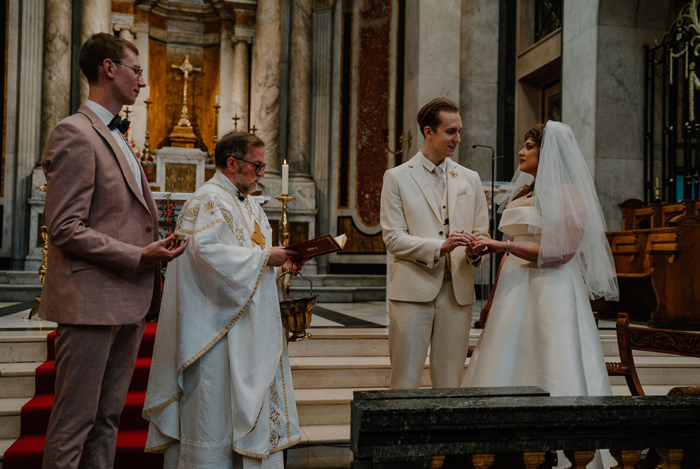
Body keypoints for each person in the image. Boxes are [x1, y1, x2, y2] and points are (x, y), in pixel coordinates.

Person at [40, 33, 188, 469]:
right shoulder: (75, 132)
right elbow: (65, 228)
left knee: (106, 421)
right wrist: (139, 255)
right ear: (109, 68)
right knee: (73, 425)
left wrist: (153, 248)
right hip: (90, 303)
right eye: (136, 70)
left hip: (126, 301)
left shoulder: (119, 135)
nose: (142, 81)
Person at [143, 131, 303, 469]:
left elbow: (254, 252)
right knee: (214, 412)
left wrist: (280, 261)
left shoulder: (248, 203)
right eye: (257, 166)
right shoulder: (208, 200)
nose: (261, 173)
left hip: (248, 328)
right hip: (215, 334)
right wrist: (263, 259)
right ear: (232, 163)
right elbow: (205, 255)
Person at [464, 121, 618, 396]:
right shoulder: (526, 193)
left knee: (548, 355)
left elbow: (562, 252)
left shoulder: (570, 194)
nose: (521, 152)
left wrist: (503, 247)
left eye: (529, 146)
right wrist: (491, 298)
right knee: (502, 356)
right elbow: (509, 249)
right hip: (512, 288)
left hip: (550, 287)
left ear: (548, 153)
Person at [380, 98, 490, 389]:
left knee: (450, 381)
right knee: (404, 381)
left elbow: (483, 233)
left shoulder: (470, 178)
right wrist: (439, 247)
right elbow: (393, 238)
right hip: (411, 292)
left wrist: (478, 250)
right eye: (450, 132)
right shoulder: (397, 177)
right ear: (428, 132)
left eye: (459, 131)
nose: (458, 138)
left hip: (458, 294)